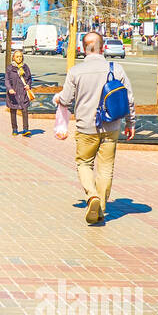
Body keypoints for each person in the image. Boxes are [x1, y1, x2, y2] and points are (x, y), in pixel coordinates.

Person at [55, 31, 135, 225]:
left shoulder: (75, 71)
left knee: (84, 163)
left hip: (86, 127)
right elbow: (129, 98)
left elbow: (65, 99)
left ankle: (92, 197)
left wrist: (58, 98)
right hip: (112, 125)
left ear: (83, 49)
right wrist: (131, 123)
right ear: (102, 48)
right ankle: (101, 208)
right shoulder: (116, 69)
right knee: (106, 168)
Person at [4, 49, 33, 136]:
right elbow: (7, 80)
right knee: (13, 111)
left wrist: (28, 85)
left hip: (23, 93)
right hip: (13, 93)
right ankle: (15, 129)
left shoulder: (25, 67)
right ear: (13, 58)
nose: (19, 58)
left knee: (24, 110)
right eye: (17, 57)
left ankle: (25, 129)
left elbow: (29, 78)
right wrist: (9, 89)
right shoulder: (10, 68)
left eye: (20, 56)